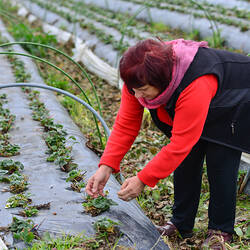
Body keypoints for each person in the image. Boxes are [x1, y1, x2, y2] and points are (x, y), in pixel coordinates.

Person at [86, 38, 250, 249]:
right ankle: (181, 223)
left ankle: (220, 230)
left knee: (221, 163)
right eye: (133, 89)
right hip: (200, 104)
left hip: (233, 101)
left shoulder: (196, 81)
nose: (137, 95)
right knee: (186, 162)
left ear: (163, 82)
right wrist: (106, 166)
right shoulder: (138, 78)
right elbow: (126, 125)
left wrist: (143, 179)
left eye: (142, 89)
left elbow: (181, 143)